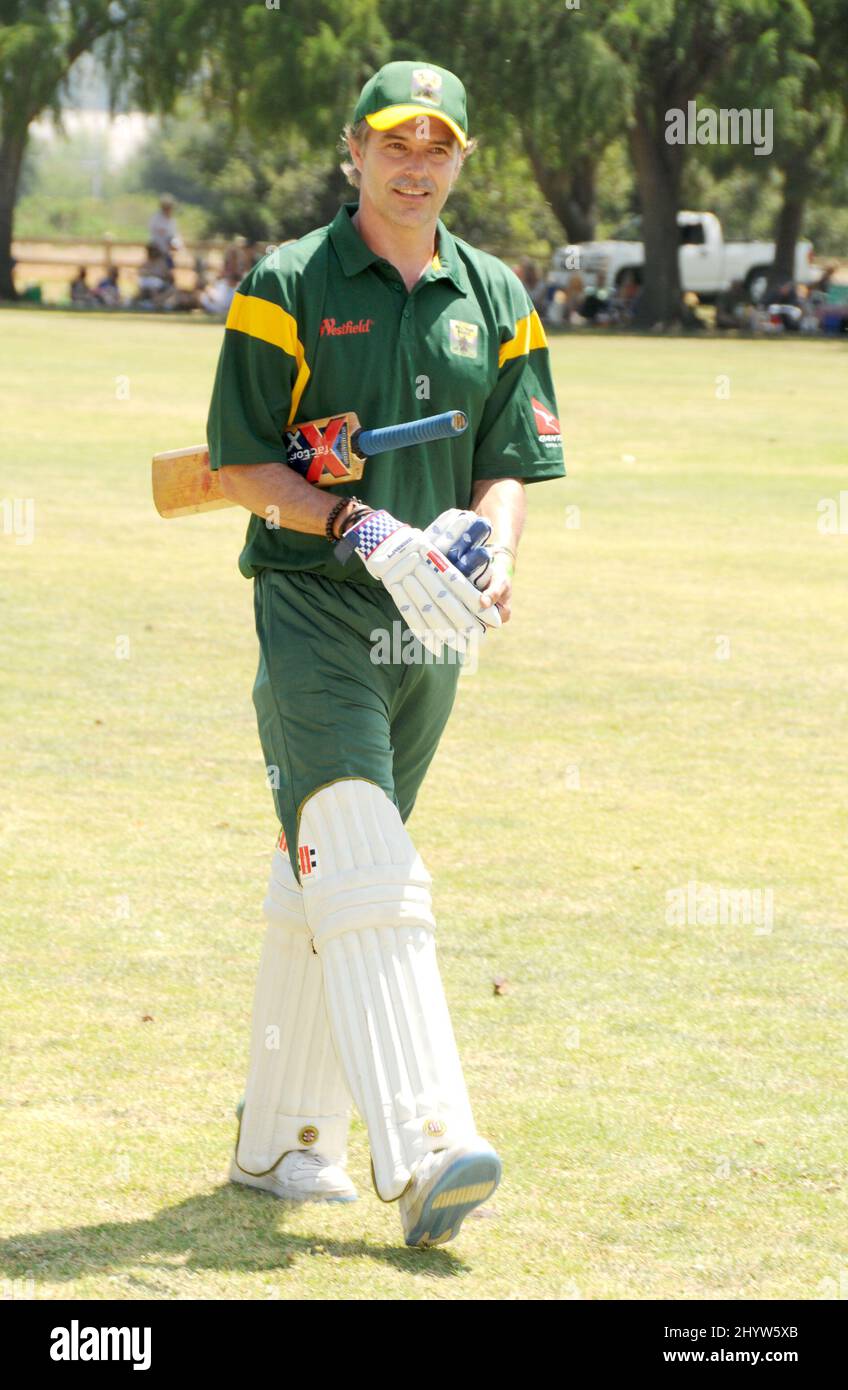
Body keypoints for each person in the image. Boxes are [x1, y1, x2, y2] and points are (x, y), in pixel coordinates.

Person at [206, 60, 565, 1248]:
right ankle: (425, 1147)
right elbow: (242, 465)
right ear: (352, 152)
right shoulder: (286, 285)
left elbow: (506, 459)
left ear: (462, 160)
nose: (415, 165)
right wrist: (350, 518)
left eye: (438, 146)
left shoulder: (496, 294)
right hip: (315, 604)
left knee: (329, 866)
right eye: (393, 143)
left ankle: (280, 1138)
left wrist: (492, 550)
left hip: (433, 621)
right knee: (360, 846)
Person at [149, 194, 181, 266]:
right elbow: (159, 233)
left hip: (167, 251)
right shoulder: (156, 218)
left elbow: (174, 235)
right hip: (157, 249)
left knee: (169, 269)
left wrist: (175, 244)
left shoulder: (172, 220)